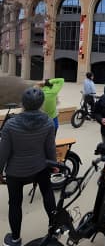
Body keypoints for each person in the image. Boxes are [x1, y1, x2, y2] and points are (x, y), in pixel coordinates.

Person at [0, 87, 56, 246]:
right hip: (40, 168)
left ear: (23, 103)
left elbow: (3, 153)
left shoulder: (10, 125)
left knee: (15, 203)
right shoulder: (48, 122)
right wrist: (53, 165)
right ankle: (54, 230)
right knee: (48, 193)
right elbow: (50, 148)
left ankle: (15, 238)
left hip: (15, 173)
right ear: (41, 103)